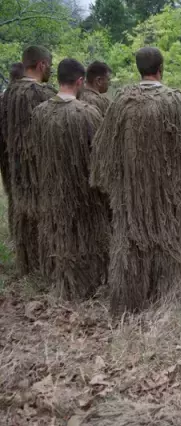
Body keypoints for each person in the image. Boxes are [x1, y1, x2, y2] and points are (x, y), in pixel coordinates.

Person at [89, 47, 181, 314]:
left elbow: (104, 151)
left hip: (130, 192)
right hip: (169, 192)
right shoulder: (175, 101)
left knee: (130, 242)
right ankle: (164, 300)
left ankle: (128, 305)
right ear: (160, 69)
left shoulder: (121, 101)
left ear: (139, 69)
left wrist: (110, 186)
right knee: (167, 240)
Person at [30, 58, 109, 299]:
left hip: (50, 187)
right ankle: (87, 285)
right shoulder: (87, 113)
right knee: (86, 236)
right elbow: (100, 155)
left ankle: (60, 281)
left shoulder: (39, 113)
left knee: (58, 233)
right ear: (80, 81)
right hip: (83, 190)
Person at [0, 46, 56, 275]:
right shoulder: (41, 94)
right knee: (41, 214)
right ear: (41, 64)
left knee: (21, 210)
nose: (50, 69)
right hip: (39, 166)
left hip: (14, 165)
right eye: (49, 65)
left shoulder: (8, 93)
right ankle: (44, 265)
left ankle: (26, 264)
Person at [0, 62, 25, 234]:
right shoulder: (22, 97)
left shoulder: (4, 98)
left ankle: (15, 234)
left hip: (6, 157)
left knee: (12, 196)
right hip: (20, 157)